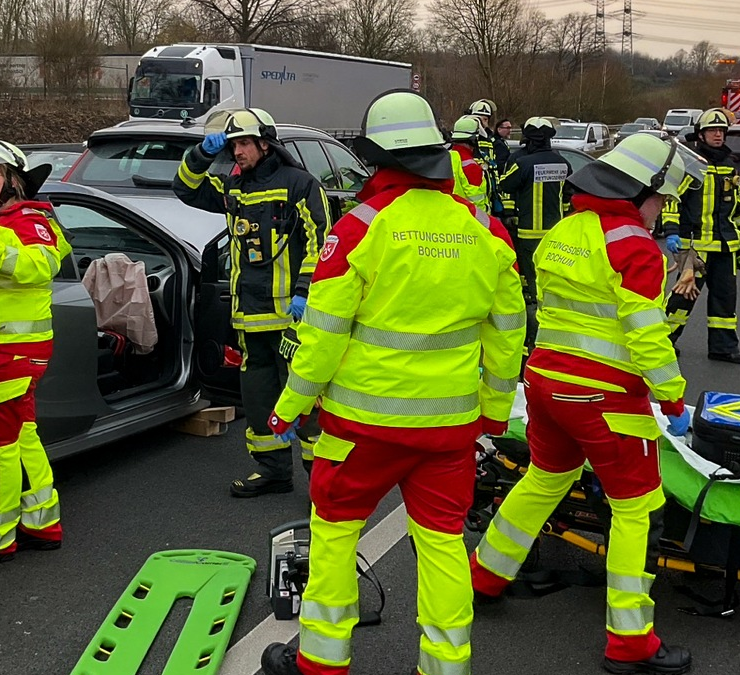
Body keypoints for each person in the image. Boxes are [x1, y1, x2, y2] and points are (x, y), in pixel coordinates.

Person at [259, 89, 526, 675]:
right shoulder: (485, 229)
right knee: (442, 545)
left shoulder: (361, 227)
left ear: (377, 159)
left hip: (362, 427)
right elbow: (509, 334)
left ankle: (320, 661)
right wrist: (495, 411)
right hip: (449, 430)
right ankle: (445, 666)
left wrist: (288, 407)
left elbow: (323, 334)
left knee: (333, 535)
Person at [470, 133, 701, 675]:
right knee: (637, 507)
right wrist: (671, 396)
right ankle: (630, 642)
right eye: (661, 199)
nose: (661, 210)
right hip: (603, 398)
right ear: (641, 190)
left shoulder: (564, 231)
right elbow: (645, 335)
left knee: (544, 479)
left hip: (546, 382)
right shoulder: (635, 247)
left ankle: (485, 575)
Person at [173, 109, 331, 497]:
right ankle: (273, 471)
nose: (237, 151)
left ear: (265, 143)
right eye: (232, 145)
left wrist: (305, 291)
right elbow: (186, 189)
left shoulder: (300, 184)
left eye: (243, 143)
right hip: (250, 316)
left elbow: (321, 240)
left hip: (292, 317)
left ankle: (325, 486)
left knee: (305, 400)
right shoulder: (233, 186)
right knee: (259, 398)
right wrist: (201, 154)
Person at [0, 138, 71, 568]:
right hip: (9, 354)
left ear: (12, 182)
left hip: (4, 354)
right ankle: (42, 525)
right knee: (22, 438)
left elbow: (40, 265)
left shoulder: (21, 219)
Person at [663, 107, 740, 364]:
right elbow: (673, 201)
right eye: (712, 131)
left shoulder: (730, 164)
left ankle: (724, 348)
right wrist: (671, 232)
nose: (718, 135)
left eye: (721, 131)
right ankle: (662, 342)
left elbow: (735, 204)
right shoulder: (691, 164)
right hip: (695, 247)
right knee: (682, 299)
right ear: (701, 134)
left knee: (725, 300)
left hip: (725, 246)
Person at [498, 116, 574, 352]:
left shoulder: (523, 164)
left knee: (531, 287)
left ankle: (533, 339)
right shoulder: (564, 164)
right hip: (556, 236)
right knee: (552, 283)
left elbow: (504, 185)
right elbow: (568, 198)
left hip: (528, 234)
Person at [448, 115, 490, 211]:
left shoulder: (446, 158)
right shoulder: (471, 166)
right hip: (468, 220)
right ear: (474, 140)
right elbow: (477, 202)